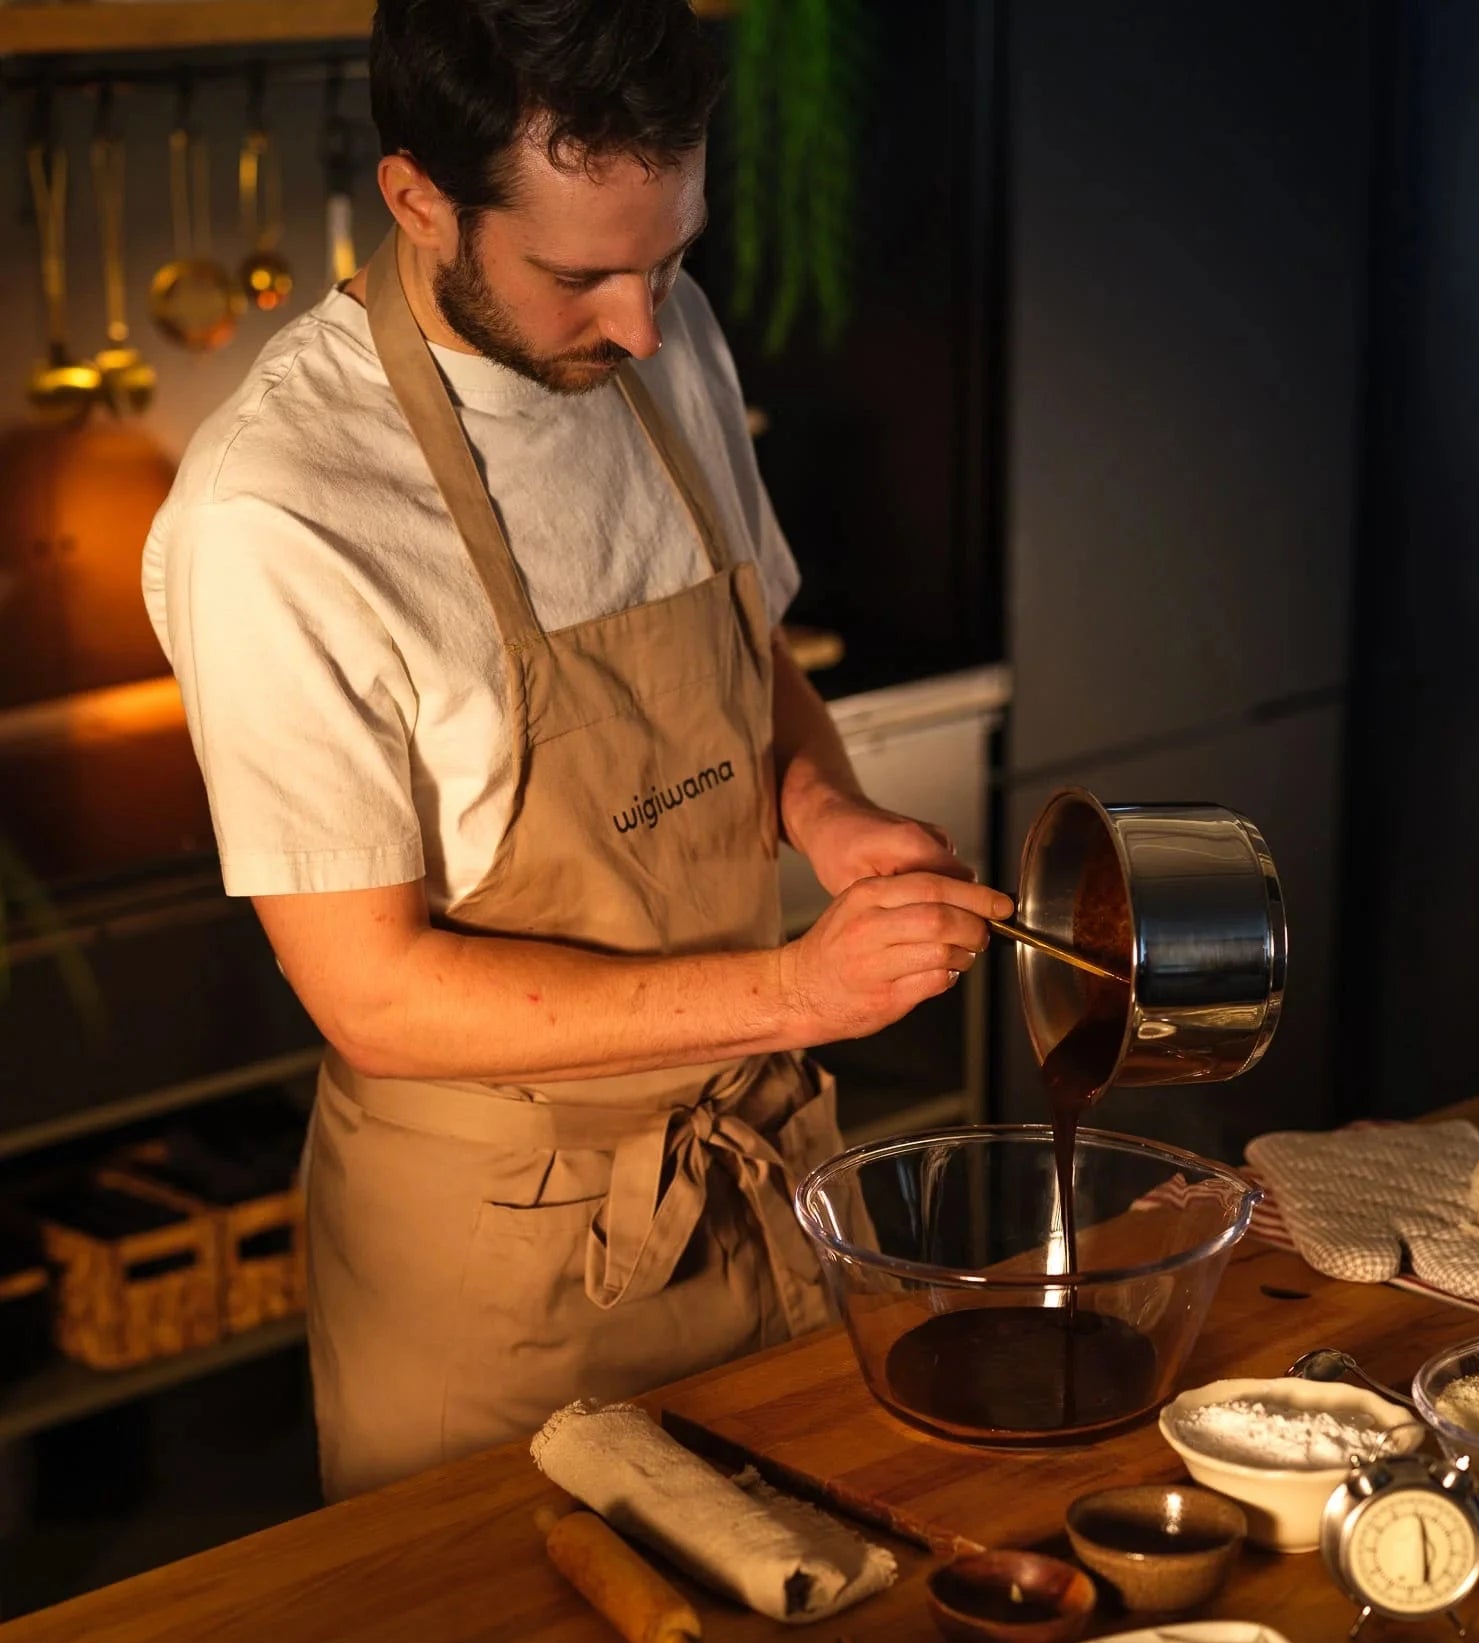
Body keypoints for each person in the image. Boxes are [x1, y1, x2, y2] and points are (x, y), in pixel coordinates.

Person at [145, 0, 1010, 1504]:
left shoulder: (657, 349)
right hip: (503, 1279)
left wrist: (828, 814)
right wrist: (798, 990)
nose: (643, 325)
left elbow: (759, 675)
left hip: (753, 1189)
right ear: (420, 199)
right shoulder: (277, 512)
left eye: (669, 254)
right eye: (580, 274)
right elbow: (375, 998)